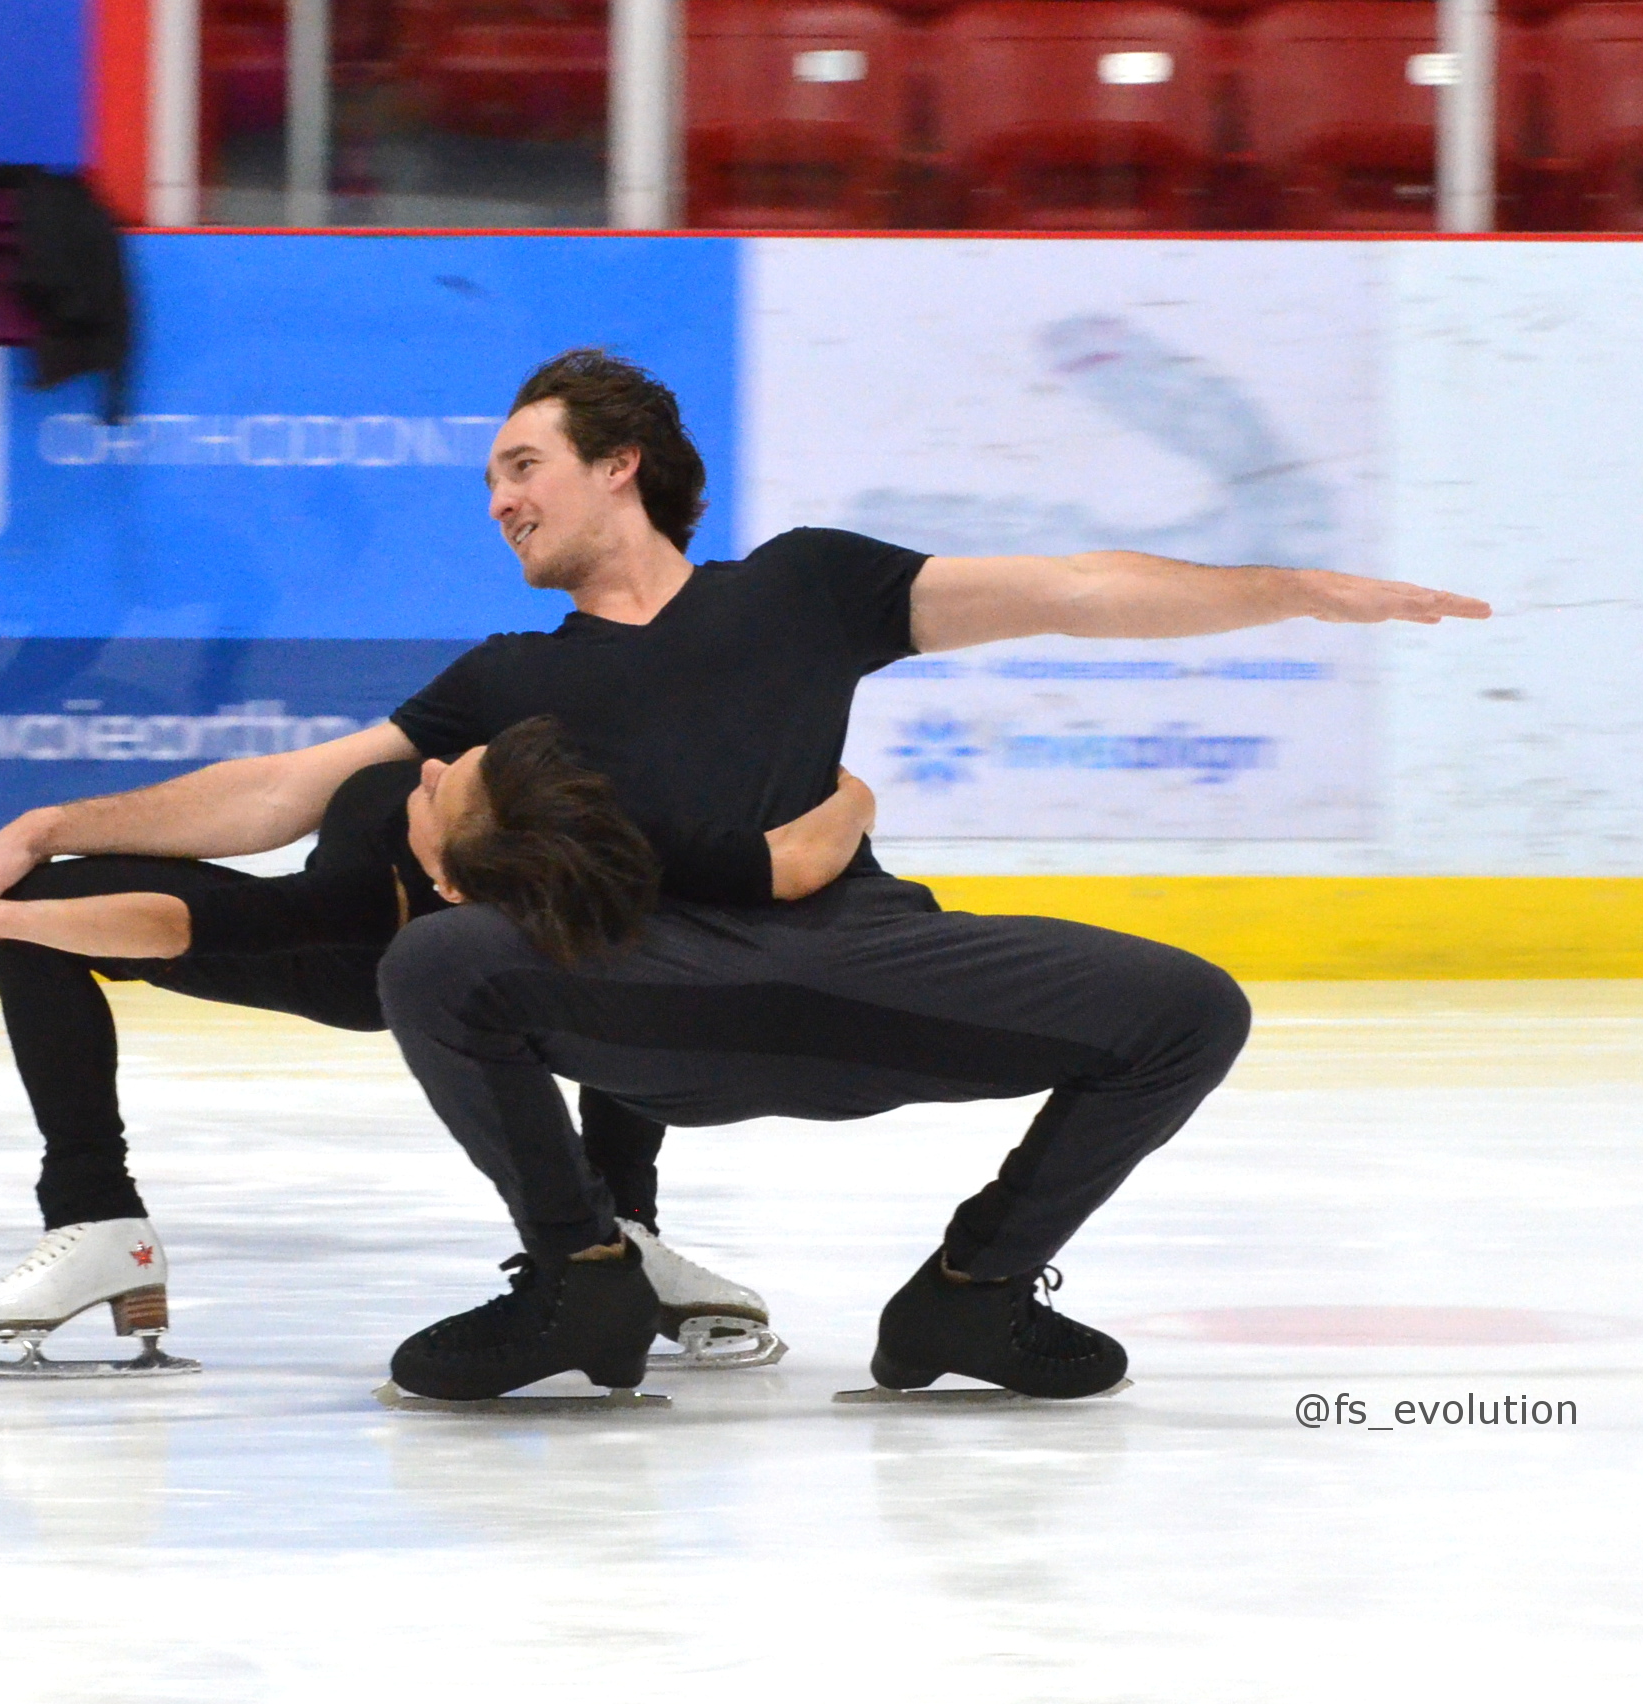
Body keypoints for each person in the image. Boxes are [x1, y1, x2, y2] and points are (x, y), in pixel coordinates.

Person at [344, 350, 1490, 1404]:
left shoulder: (800, 583)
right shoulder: (505, 676)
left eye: (520, 465)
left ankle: (972, 1293)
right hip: (657, 995)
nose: (496, 501)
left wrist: (1290, 588)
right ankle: (579, 1278)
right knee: (438, 960)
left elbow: (1075, 589)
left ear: (618, 466)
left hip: (866, 964)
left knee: (1190, 1009)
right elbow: (293, 785)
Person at [0, 722, 875, 1379]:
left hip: (421, 963)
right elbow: (223, 872)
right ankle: (98, 1221)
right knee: (40, 908)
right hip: (340, 961)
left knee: (624, 951)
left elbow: (185, 928)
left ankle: (623, 1232)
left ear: (451, 875)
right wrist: (849, 786)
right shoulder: (474, 810)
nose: (427, 770)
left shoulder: (415, 894)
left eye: (437, 793)